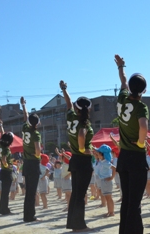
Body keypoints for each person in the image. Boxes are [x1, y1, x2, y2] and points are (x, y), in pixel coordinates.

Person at [114, 54, 149, 234]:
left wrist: (121, 67)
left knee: (126, 201)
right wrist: (142, 143)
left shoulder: (122, 98)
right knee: (135, 203)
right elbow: (143, 126)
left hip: (123, 157)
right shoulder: (141, 107)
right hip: (136, 157)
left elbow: (123, 81)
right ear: (144, 90)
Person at [59, 80, 94, 232]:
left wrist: (64, 89)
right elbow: (81, 134)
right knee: (80, 194)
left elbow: (68, 102)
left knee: (75, 193)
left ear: (76, 108)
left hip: (74, 160)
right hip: (83, 160)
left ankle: (72, 223)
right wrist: (83, 149)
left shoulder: (71, 117)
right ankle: (79, 224)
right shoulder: (85, 123)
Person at [20, 96, 42, 222]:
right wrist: (38, 155)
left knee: (28, 191)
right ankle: (30, 216)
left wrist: (23, 105)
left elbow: (25, 117)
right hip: (33, 163)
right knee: (32, 191)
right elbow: (38, 149)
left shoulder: (24, 128)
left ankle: (26, 215)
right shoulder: (36, 133)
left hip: (26, 163)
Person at [0, 119, 15, 215]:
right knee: (5, 192)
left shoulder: (1, 145)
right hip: (6, 172)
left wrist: (1, 126)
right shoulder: (7, 149)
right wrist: (7, 165)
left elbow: (2, 136)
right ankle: (5, 210)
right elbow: (4, 159)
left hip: (2, 172)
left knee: (4, 192)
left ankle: (3, 209)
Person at [94, 144, 116, 217]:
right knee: (107, 197)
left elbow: (114, 168)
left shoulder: (106, 162)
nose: (97, 154)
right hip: (103, 181)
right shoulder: (102, 161)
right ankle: (109, 211)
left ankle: (112, 212)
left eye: (98, 153)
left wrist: (112, 177)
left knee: (109, 198)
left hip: (107, 181)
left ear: (102, 154)